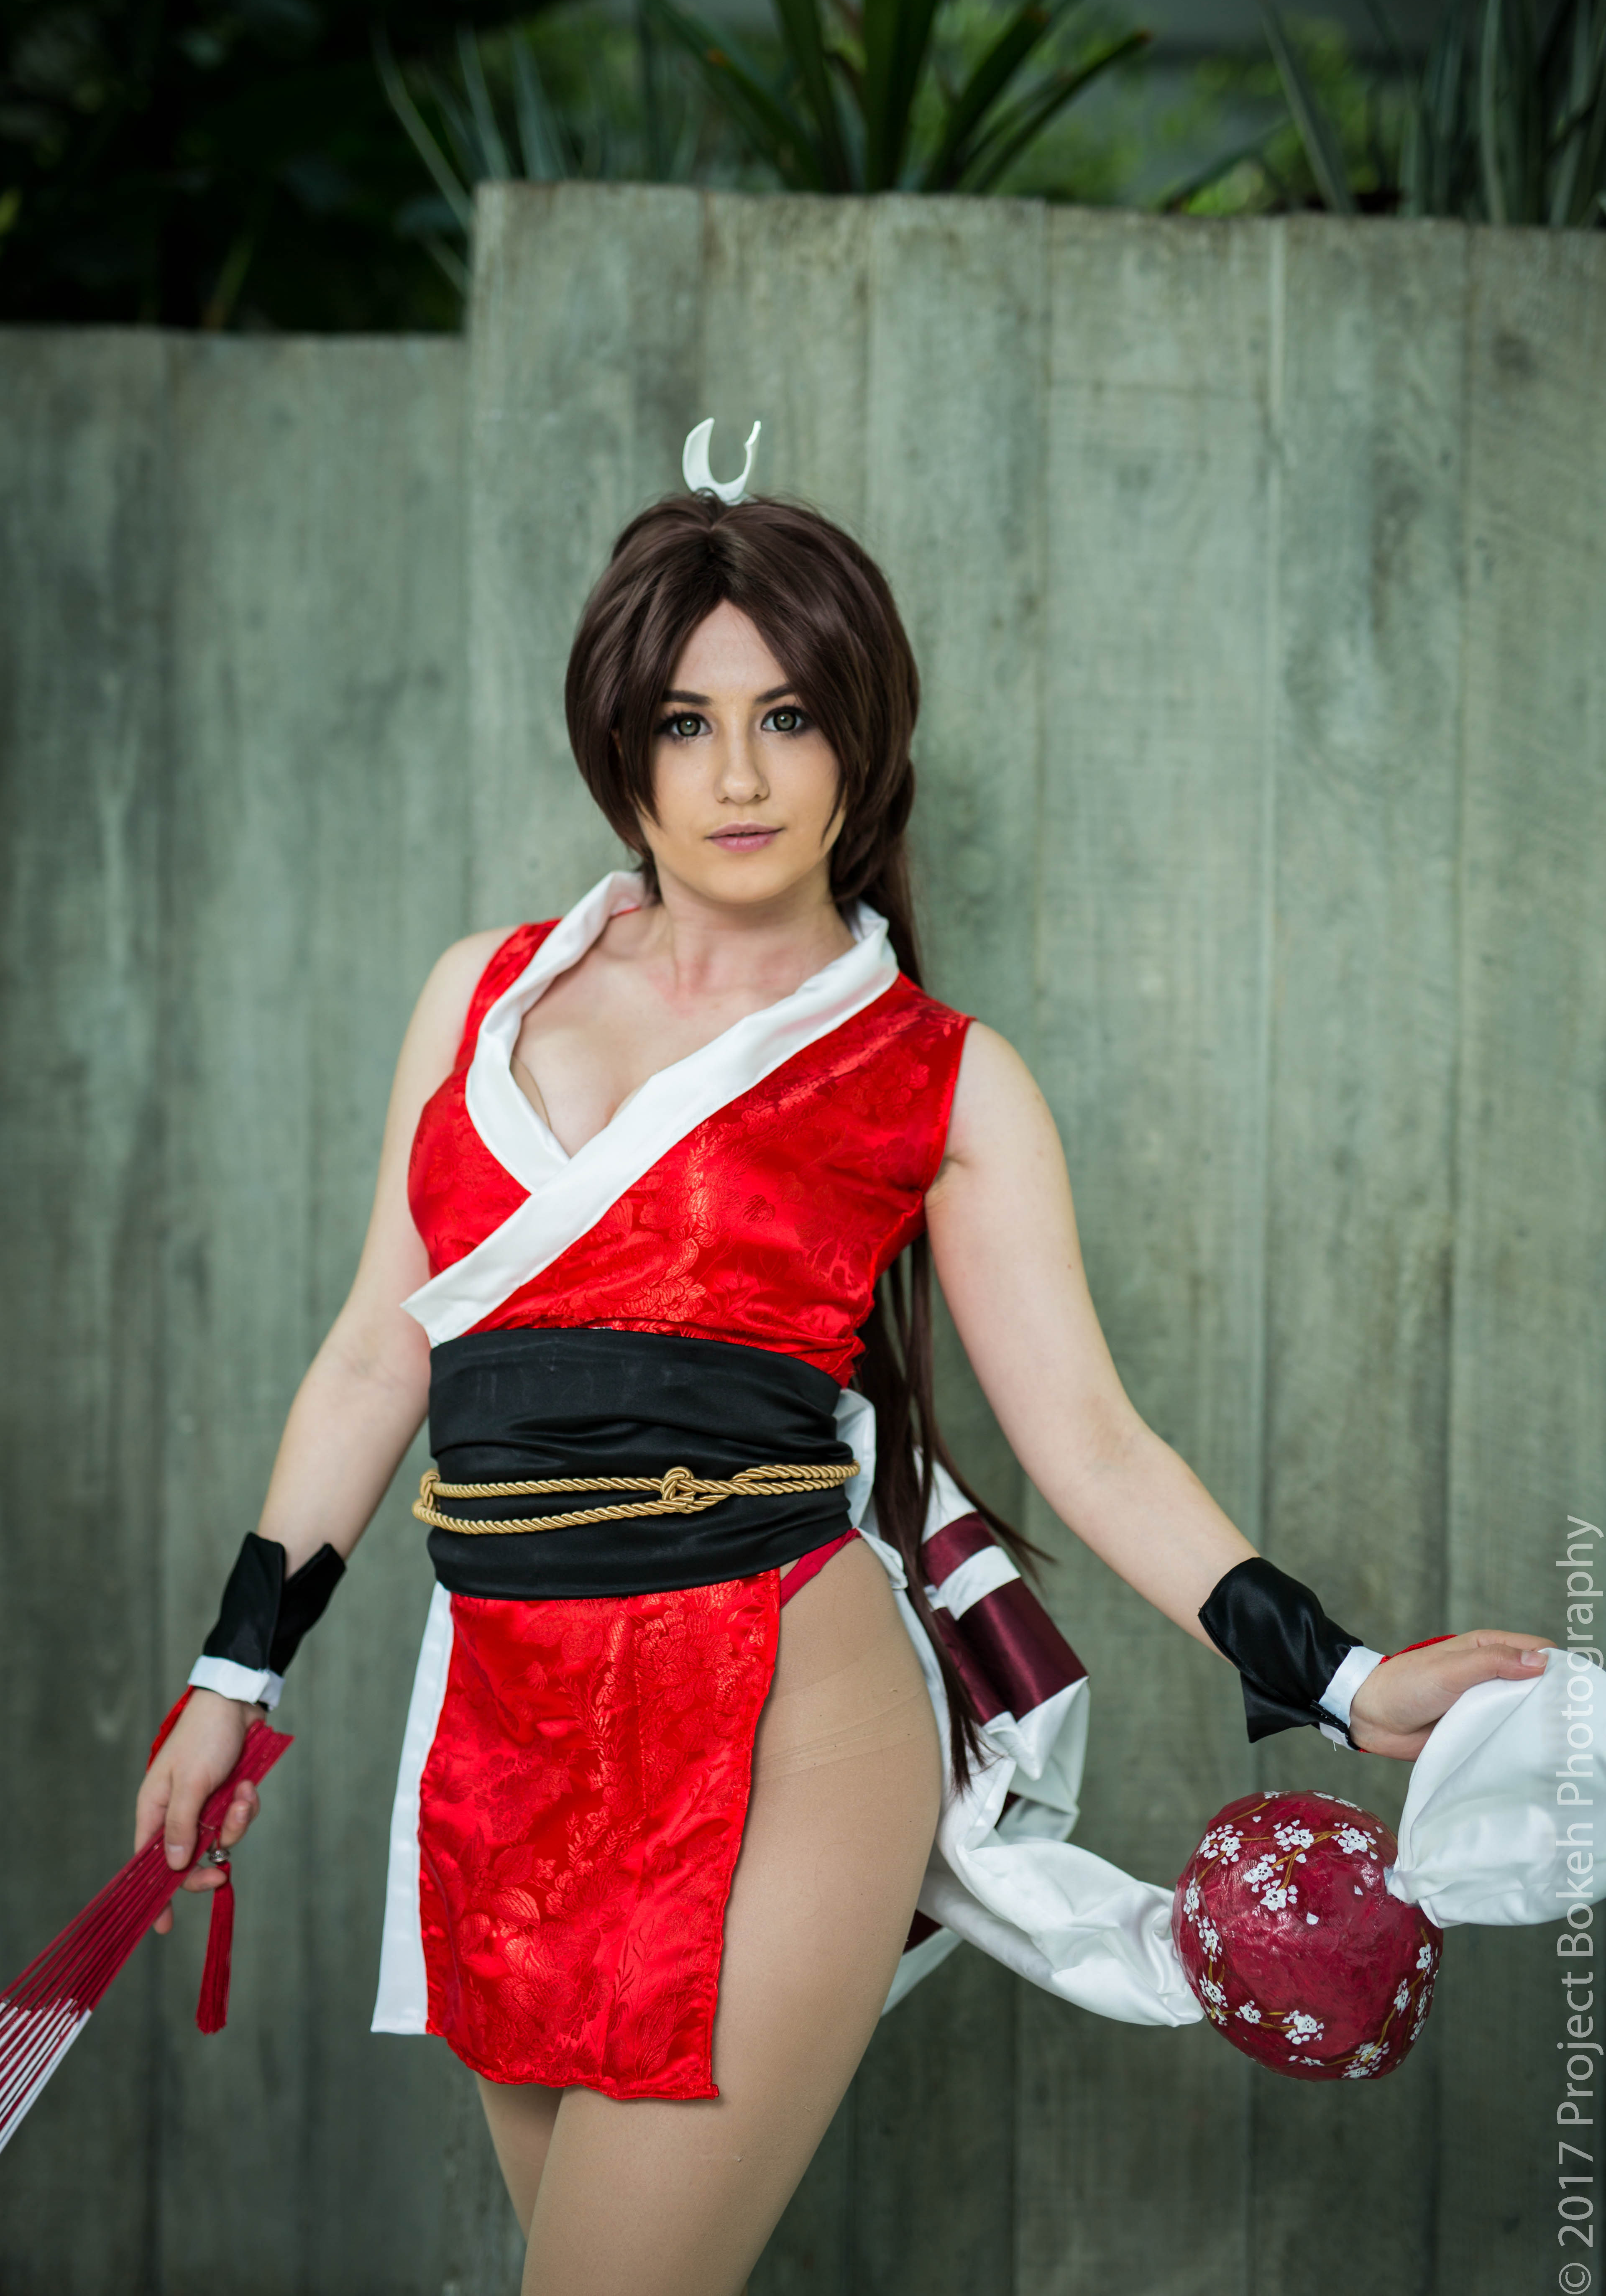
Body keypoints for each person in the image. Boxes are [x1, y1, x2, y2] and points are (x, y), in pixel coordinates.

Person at [134, 479, 1550, 2296]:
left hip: (784, 1718)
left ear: (860, 739)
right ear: (618, 742)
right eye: (687, 722)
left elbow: (1095, 1443)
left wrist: (1343, 1679)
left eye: (788, 716)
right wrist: (231, 1681)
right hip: (509, 1728)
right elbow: (371, 1350)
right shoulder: (478, 997)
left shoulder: (941, 1077)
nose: (739, 775)